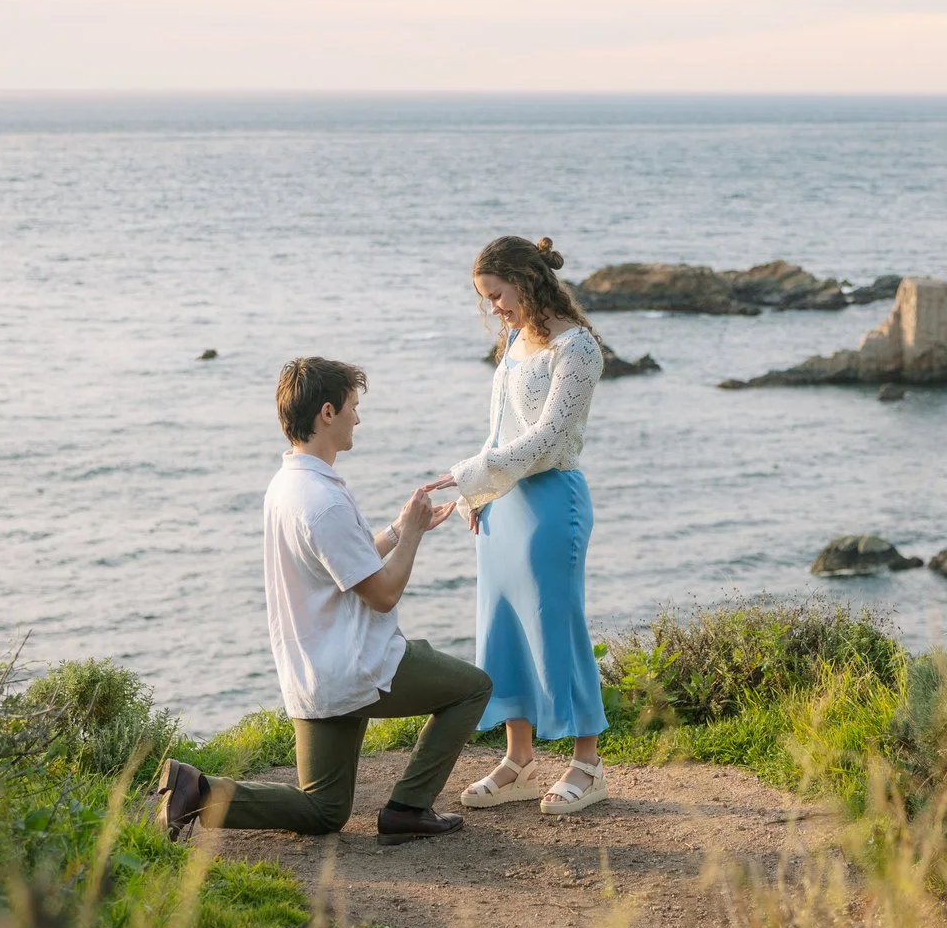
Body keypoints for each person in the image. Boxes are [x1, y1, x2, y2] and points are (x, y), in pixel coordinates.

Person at [154, 357, 490, 844]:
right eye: (354, 407)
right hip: (360, 667)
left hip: (314, 671)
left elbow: (341, 569)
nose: (359, 418)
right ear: (327, 412)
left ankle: (199, 791)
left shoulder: (287, 485)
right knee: (473, 688)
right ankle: (408, 808)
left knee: (324, 809)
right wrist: (415, 537)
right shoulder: (326, 501)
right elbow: (381, 594)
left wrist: (397, 531)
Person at [430, 236, 610, 815]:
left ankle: (588, 764)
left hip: (551, 502)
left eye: (498, 296)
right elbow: (500, 427)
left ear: (526, 281)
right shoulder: (513, 340)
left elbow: (548, 438)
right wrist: (478, 491)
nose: (495, 309)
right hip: (501, 503)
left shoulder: (577, 349)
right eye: (487, 300)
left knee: (558, 627)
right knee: (502, 628)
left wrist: (470, 473)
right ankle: (519, 761)